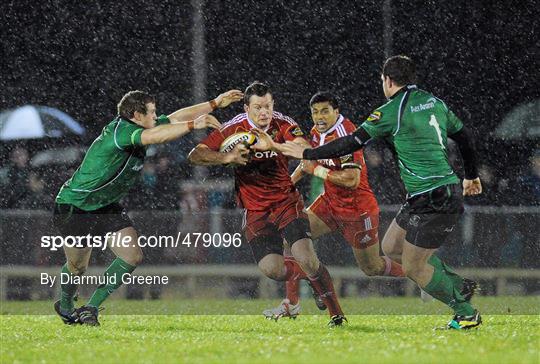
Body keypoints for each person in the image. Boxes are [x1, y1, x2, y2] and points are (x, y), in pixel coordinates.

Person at [275, 56, 483, 330]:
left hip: (434, 194)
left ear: (387, 80)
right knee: (391, 247)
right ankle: (456, 284)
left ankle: (465, 313)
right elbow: (463, 136)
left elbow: (351, 143)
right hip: (425, 193)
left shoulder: (390, 111)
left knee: (412, 267)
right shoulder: (434, 102)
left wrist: (307, 154)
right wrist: (471, 174)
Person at [53, 89, 243, 326]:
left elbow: (175, 118)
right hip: (76, 205)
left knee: (132, 256)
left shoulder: (140, 126)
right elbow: (157, 137)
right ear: (135, 114)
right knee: (77, 266)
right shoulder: (122, 131)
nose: (156, 116)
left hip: (106, 205)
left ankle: (91, 308)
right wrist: (195, 125)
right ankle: (66, 305)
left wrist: (214, 103)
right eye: (151, 112)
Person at [188, 81, 346, 326]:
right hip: (254, 209)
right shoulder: (233, 128)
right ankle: (315, 279)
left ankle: (337, 315)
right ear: (246, 108)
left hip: (286, 201)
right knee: (273, 270)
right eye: (258, 107)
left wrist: (273, 145)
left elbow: (304, 148)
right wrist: (226, 157)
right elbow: (196, 154)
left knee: (304, 255)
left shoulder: (283, 123)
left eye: (268, 106)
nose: (264, 113)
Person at [262, 92, 405, 320]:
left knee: (372, 268)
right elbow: (307, 163)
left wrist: (317, 171)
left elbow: (352, 179)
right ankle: (293, 302)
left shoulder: (346, 134)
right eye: (315, 111)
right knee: (291, 237)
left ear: (336, 111)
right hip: (329, 204)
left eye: (325, 111)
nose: (319, 116)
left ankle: (418, 274)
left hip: (357, 210)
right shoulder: (316, 132)